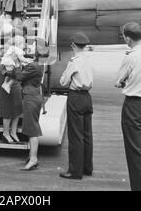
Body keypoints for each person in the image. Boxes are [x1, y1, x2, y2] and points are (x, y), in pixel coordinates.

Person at [115, 22, 141, 191]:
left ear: (127, 38)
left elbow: (118, 81)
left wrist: (123, 81)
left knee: (135, 154)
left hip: (134, 107)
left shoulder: (130, 56)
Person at [5, 38, 48, 170]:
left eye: (34, 45)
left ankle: (33, 159)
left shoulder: (34, 66)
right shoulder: (38, 63)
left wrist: (14, 65)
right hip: (34, 95)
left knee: (32, 129)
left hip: (31, 98)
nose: (30, 46)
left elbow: (19, 77)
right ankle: (31, 156)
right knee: (31, 127)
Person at [59, 32, 94, 180]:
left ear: (73, 45)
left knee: (75, 136)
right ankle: (87, 168)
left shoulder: (74, 62)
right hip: (87, 97)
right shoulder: (89, 60)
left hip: (76, 98)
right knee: (87, 135)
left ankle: (75, 171)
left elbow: (63, 82)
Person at [0, 36, 24, 144]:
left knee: (17, 105)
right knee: (6, 105)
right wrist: (6, 73)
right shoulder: (5, 50)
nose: (24, 44)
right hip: (5, 80)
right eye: (22, 42)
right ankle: (5, 133)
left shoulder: (21, 51)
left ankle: (13, 132)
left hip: (16, 80)